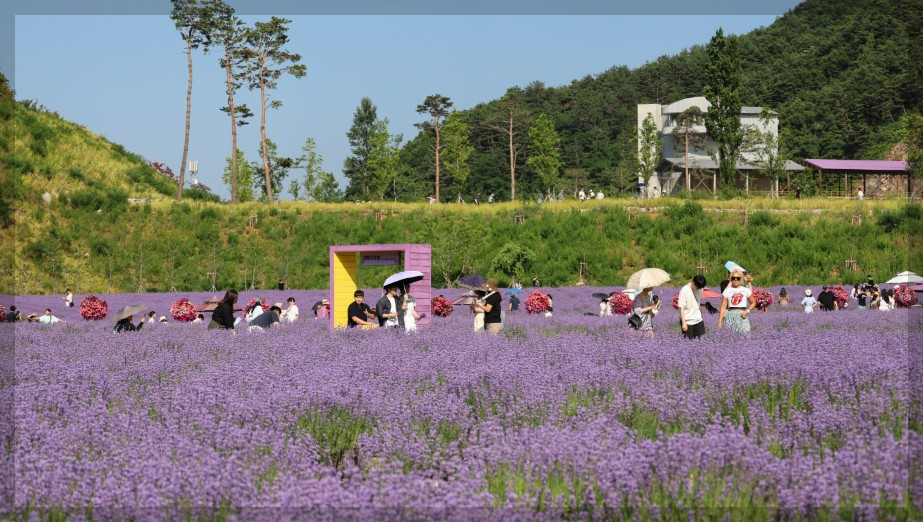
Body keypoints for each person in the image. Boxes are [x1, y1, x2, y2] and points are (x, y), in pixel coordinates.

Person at [678, 275, 710, 339]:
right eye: (697, 286)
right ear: (693, 282)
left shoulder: (700, 289)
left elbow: (695, 302)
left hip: (698, 320)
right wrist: (684, 323)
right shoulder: (684, 290)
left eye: (699, 287)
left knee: (702, 342)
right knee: (688, 344)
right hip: (688, 322)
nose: (698, 289)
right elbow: (681, 307)